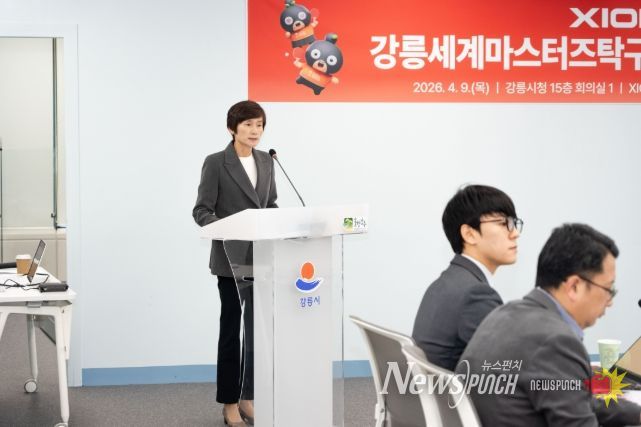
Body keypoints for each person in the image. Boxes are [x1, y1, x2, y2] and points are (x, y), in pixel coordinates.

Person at [457, 223, 641, 426]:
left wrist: (636, 413)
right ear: (574, 286)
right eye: (608, 289)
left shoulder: (505, 314)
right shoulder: (556, 342)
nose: (610, 301)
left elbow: (574, 398)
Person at [193, 100, 277, 427]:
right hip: (230, 260)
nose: (255, 131)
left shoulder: (267, 161)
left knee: (256, 333)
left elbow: (270, 205)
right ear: (232, 128)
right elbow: (202, 210)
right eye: (248, 125)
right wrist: (228, 228)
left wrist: (279, 223)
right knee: (231, 331)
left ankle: (247, 398)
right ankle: (229, 402)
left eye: (259, 125)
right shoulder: (216, 162)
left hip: (261, 259)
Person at [412, 184, 522, 371]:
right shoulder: (476, 294)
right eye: (503, 223)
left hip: (431, 388)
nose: (515, 233)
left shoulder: (446, 282)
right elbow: (510, 367)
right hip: (454, 390)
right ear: (469, 234)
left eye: (514, 223)